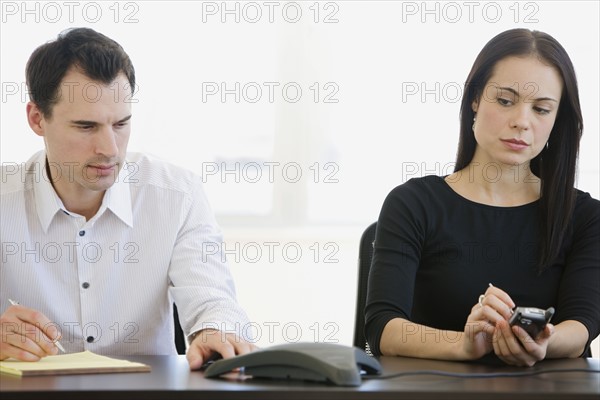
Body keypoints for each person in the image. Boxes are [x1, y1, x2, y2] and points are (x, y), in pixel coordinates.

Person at [0, 27, 255, 369]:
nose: (109, 149)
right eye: (86, 127)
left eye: (121, 124)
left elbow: (214, 300)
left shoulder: (177, 195)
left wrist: (214, 330)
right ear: (37, 119)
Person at [365, 28, 599, 367]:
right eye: (505, 101)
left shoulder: (585, 216)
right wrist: (465, 344)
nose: (522, 122)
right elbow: (382, 327)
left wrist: (542, 343)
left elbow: (581, 328)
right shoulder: (413, 203)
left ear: (557, 119)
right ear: (475, 98)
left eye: (542, 109)